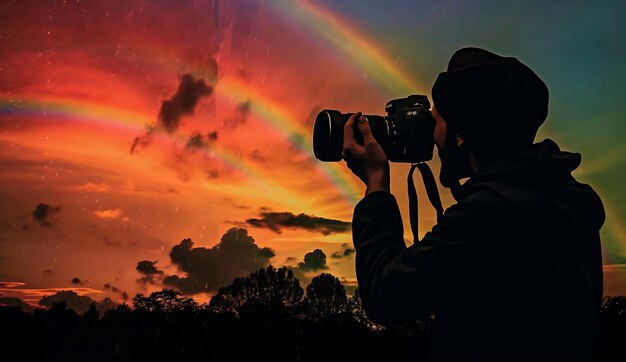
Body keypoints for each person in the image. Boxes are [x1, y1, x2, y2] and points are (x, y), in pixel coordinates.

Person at [342, 47, 605, 361]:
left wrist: (376, 184)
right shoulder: (567, 199)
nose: (433, 137)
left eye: (436, 122)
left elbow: (384, 295)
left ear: (461, 135)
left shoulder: (489, 215)